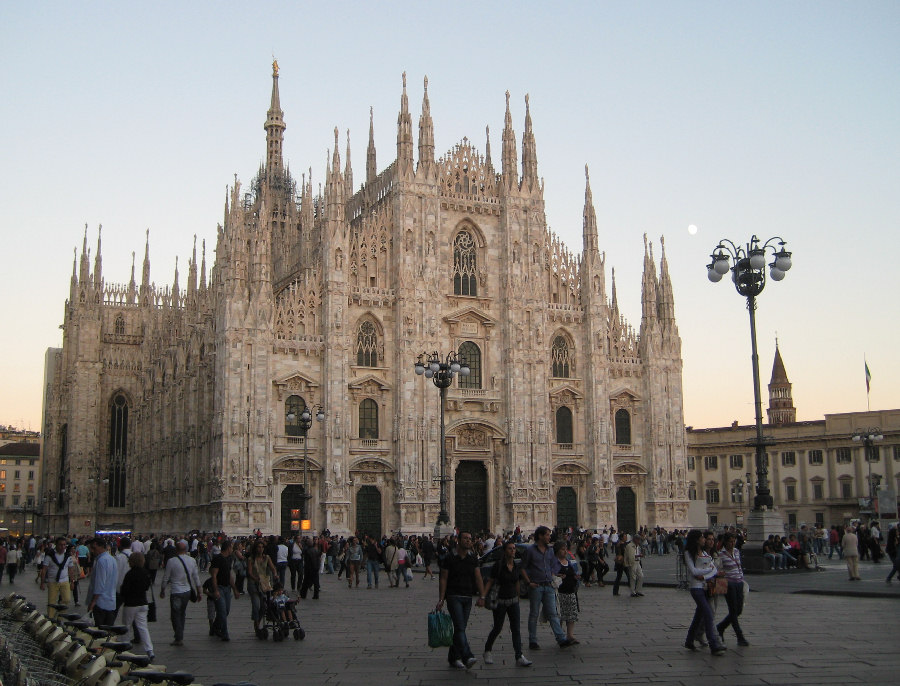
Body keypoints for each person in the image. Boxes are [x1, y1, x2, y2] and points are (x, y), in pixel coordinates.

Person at [436, 531, 485, 669]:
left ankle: (453, 657)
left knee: (460, 628)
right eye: (465, 538)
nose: (468, 541)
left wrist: (482, 596)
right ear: (458, 540)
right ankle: (467, 655)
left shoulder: (472, 558)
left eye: (470, 539)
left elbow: (478, 577)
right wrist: (441, 599)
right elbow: (443, 579)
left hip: (467, 597)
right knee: (459, 627)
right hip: (453, 596)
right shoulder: (449, 557)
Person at [482, 540, 531, 667]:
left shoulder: (515, 566)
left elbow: (516, 583)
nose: (513, 550)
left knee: (516, 629)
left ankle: (519, 655)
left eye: (514, 548)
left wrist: (518, 597)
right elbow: (490, 582)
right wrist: (482, 596)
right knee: (498, 627)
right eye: (510, 548)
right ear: (505, 551)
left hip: (513, 601)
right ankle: (487, 650)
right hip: (500, 601)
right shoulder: (498, 566)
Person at [520, 525, 571, 649]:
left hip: (548, 585)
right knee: (534, 614)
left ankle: (561, 639)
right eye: (547, 535)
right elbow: (522, 568)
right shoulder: (530, 550)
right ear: (540, 536)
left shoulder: (550, 550)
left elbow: (553, 564)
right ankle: (533, 640)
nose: (550, 537)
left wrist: (555, 574)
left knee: (553, 613)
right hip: (536, 586)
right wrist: (528, 583)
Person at [683, 529, 726, 656]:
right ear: (696, 539)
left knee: (699, 616)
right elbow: (694, 571)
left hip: (705, 587)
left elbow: (714, 570)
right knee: (708, 614)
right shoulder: (688, 553)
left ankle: (689, 641)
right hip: (696, 588)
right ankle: (714, 645)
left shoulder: (705, 553)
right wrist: (708, 571)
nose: (704, 539)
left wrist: (705, 575)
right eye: (702, 537)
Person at [159, 540, 202, 646]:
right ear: (186, 549)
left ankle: (178, 637)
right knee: (182, 613)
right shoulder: (192, 560)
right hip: (187, 592)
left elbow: (166, 578)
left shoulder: (171, 561)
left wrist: (162, 590)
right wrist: (199, 592)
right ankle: (180, 634)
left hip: (176, 592)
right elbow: (196, 578)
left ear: (176, 550)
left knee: (175, 615)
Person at [716, 532, 749, 646]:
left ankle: (720, 627)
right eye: (730, 541)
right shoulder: (721, 554)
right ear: (725, 542)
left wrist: (741, 577)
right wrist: (720, 584)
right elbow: (718, 570)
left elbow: (739, 566)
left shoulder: (736, 551)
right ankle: (740, 636)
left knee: (738, 610)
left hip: (739, 582)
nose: (733, 543)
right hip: (728, 583)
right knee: (733, 610)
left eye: (734, 540)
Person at [121, 552, 154, 660]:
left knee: (126, 627)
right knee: (143, 627)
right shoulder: (145, 573)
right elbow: (146, 587)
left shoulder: (130, 574)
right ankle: (150, 650)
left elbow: (124, 589)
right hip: (143, 603)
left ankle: (125, 648)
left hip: (131, 603)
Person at [207, 539, 240, 641]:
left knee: (226, 611)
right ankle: (225, 634)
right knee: (222, 611)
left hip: (227, 588)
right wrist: (215, 590)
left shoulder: (229, 559)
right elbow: (213, 575)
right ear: (228, 548)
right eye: (232, 547)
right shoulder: (217, 559)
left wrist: (235, 589)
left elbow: (229, 575)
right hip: (220, 588)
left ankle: (215, 627)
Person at [40, 536, 76, 618]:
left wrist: (72, 581)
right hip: (53, 581)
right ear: (56, 545)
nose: (63, 547)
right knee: (51, 601)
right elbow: (44, 569)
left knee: (67, 599)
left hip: (65, 580)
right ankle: (50, 618)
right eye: (61, 545)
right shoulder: (50, 555)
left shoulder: (68, 555)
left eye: (64, 545)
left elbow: (71, 569)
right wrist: (42, 583)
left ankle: (60, 616)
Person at [87, 538, 118, 627]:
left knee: (99, 631)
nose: (92, 551)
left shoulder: (101, 561)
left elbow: (99, 584)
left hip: (100, 603)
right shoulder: (112, 559)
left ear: (101, 547)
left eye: (94, 548)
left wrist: (93, 602)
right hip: (111, 601)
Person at [247, 540, 276, 634]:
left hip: (263, 584)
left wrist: (275, 574)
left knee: (263, 606)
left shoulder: (267, 558)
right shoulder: (251, 559)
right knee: (256, 604)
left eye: (262, 547)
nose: (261, 549)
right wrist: (255, 578)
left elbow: (272, 567)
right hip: (253, 584)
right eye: (259, 547)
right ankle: (256, 625)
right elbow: (249, 572)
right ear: (255, 548)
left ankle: (257, 623)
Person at [554, 541, 580, 645]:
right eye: (562, 549)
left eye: (565, 549)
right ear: (557, 551)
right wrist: (558, 576)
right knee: (560, 615)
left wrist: (575, 577)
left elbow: (572, 574)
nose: (565, 551)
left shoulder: (569, 562)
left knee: (571, 615)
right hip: (560, 592)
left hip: (570, 592)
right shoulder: (554, 563)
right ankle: (560, 635)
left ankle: (570, 635)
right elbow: (551, 574)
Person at [625, 533, 644, 597]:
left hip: (637, 562)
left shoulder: (638, 546)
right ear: (635, 539)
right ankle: (633, 592)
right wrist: (639, 555)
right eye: (638, 540)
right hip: (632, 563)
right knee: (633, 578)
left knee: (641, 576)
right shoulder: (629, 546)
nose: (639, 541)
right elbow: (630, 556)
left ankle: (638, 590)